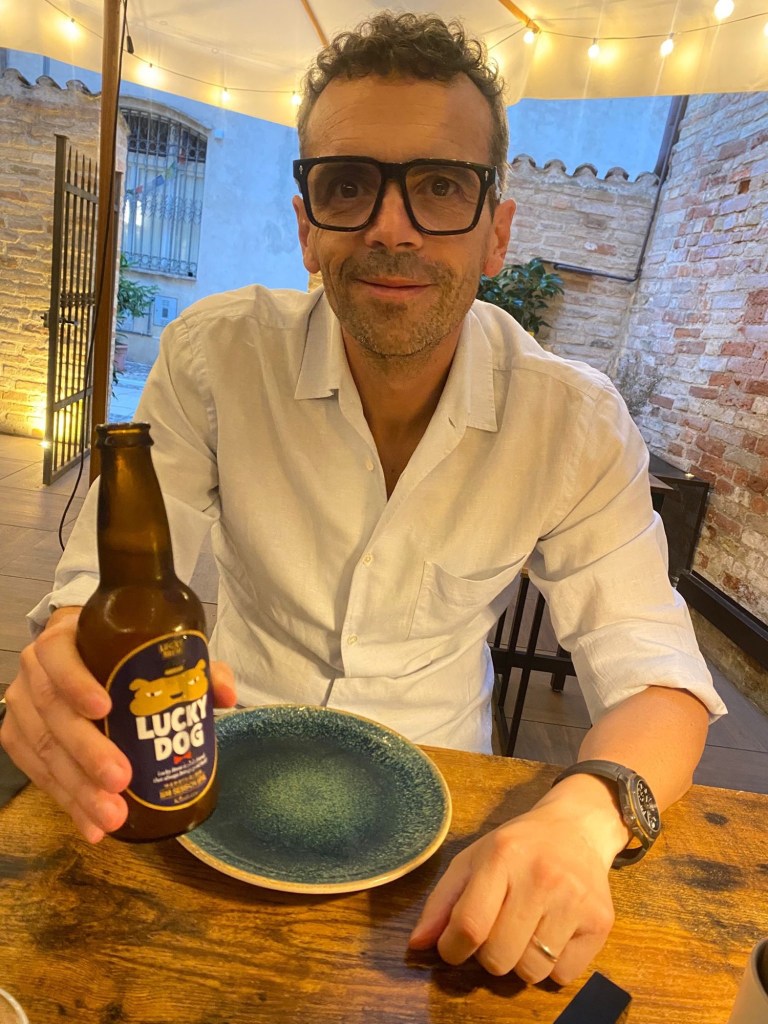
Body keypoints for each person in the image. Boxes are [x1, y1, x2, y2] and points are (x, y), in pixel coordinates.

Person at [1, 11, 726, 986]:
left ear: (497, 232)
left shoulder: (575, 423)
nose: (392, 226)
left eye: (441, 185)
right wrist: (64, 664)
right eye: (348, 185)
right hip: (209, 790)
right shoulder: (214, 358)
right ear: (307, 225)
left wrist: (583, 816)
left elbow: (660, 681)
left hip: (444, 836)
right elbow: (102, 590)